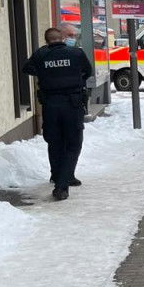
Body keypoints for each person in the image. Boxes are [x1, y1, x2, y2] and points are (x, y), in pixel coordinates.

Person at [22, 26, 93, 201]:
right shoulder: (76, 53)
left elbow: (27, 68)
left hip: (50, 104)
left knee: (54, 141)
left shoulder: (40, 55)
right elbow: (88, 72)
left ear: (47, 40)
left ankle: (58, 175)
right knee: (73, 143)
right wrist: (75, 80)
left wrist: (44, 74)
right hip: (72, 103)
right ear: (61, 38)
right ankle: (62, 185)